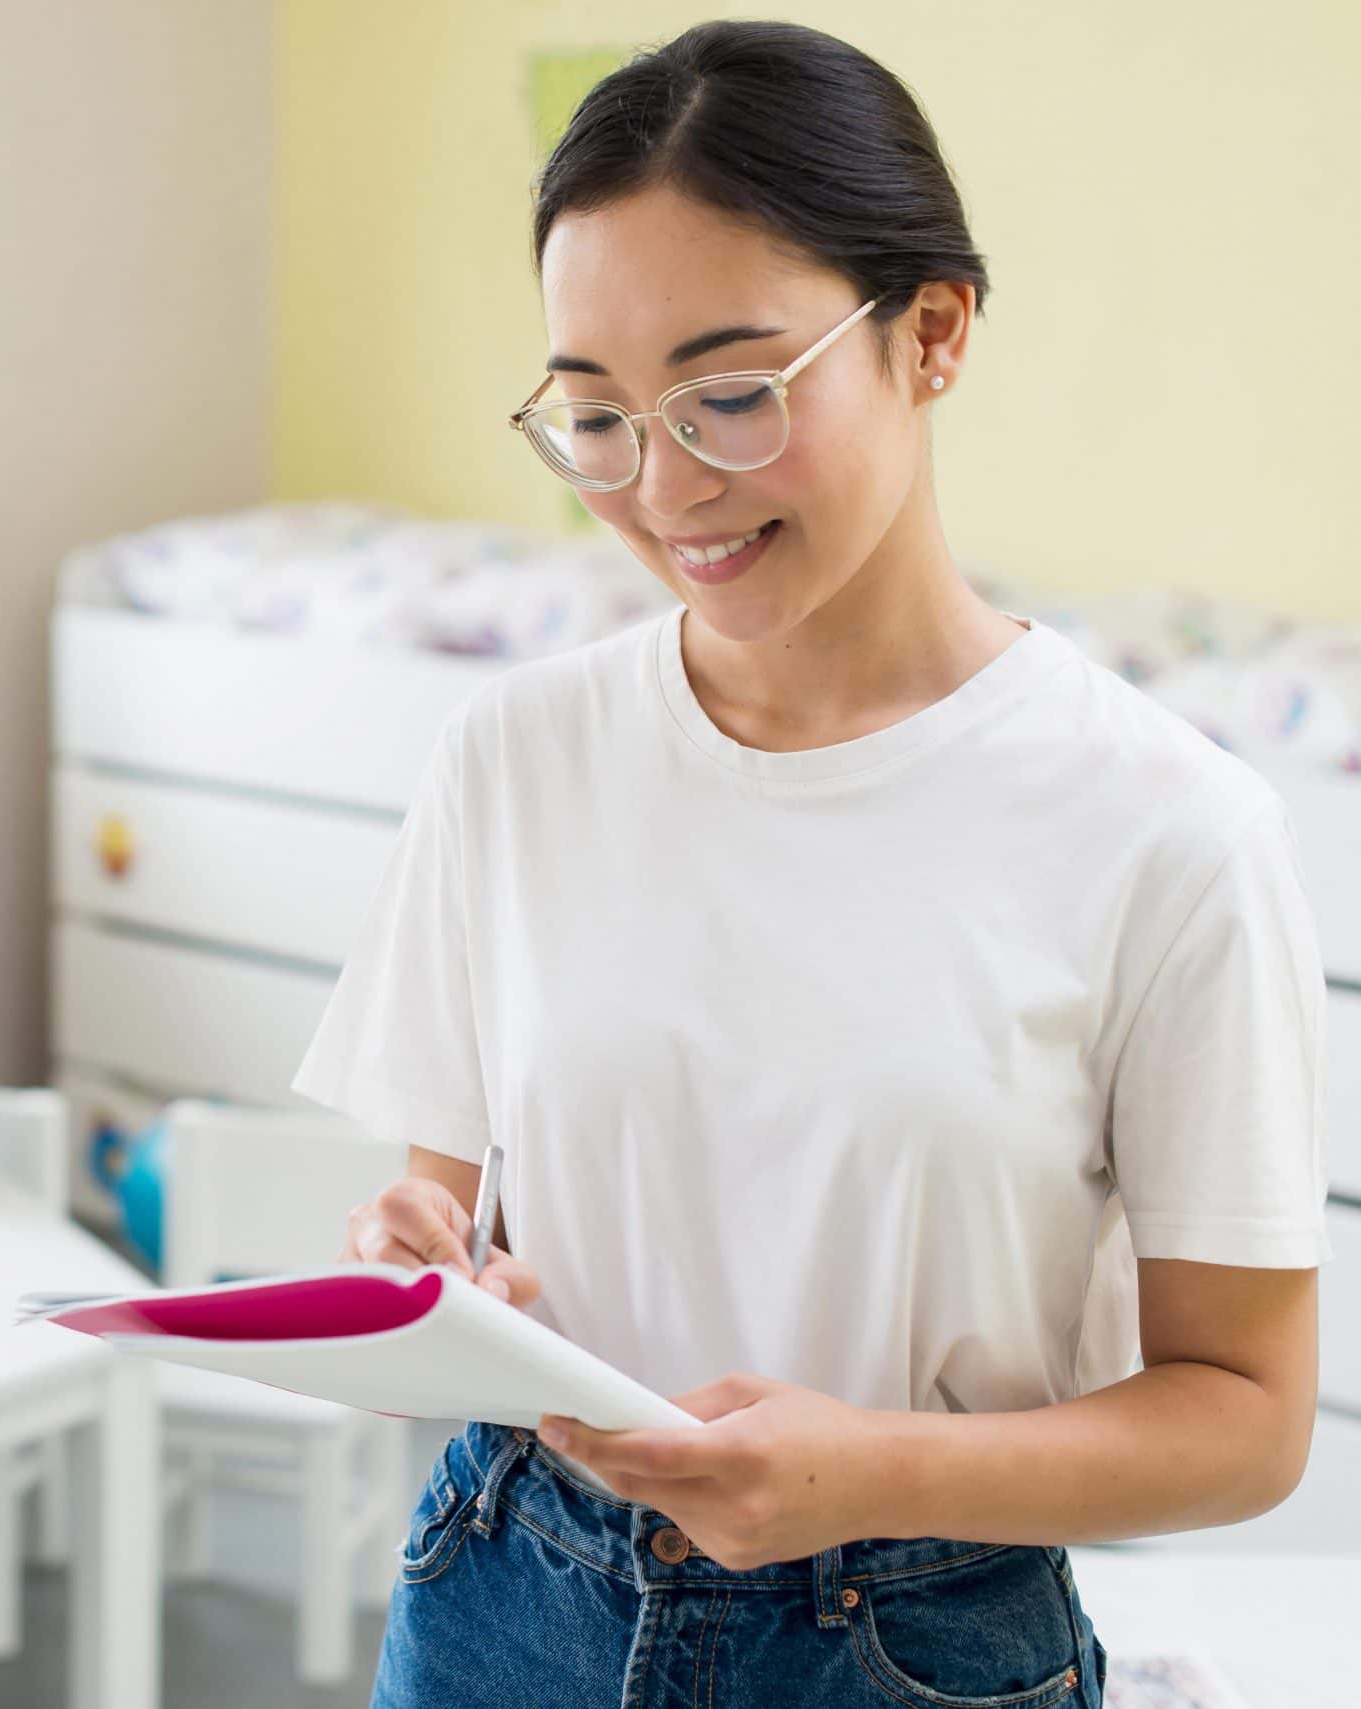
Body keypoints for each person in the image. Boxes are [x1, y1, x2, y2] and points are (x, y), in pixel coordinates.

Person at [305, 23, 1327, 1707]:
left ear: (933, 332)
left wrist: (872, 1469)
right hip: (502, 1587)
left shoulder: (1170, 827)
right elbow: (455, 1215)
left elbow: (1247, 1416)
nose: (666, 486)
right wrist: (428, 1261)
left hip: (910, 1646)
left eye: (729, 393)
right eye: (596, 417)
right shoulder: (514, 757)